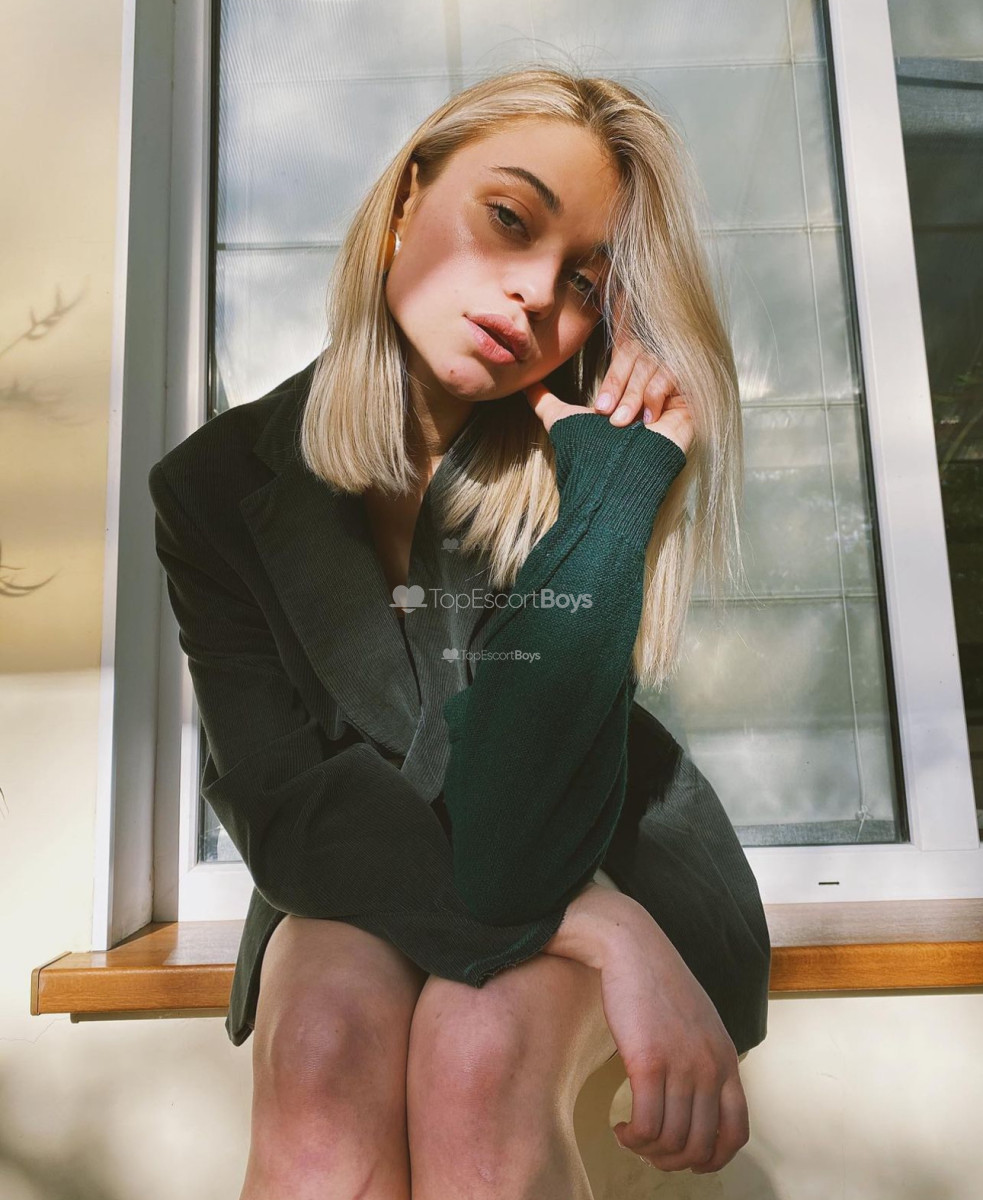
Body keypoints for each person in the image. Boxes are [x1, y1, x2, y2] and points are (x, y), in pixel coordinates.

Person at [149, 65, 770, 1198]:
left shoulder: (584, 466)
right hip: (352, 854)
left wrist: (614, 494)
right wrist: (604, 934)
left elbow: (514, 839)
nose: (534, 293)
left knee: (476, 1059)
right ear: (405, 201)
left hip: (584, 840)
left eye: (583, 283)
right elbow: (285, 798)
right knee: (322, 1046)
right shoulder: (211, 487)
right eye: (508, 219)